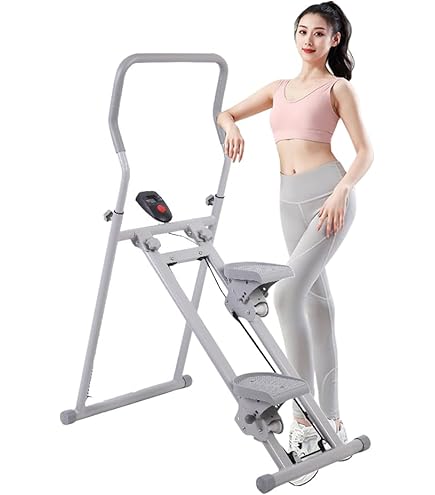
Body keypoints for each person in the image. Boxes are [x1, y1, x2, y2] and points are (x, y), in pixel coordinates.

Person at [217, 0, 374, 485]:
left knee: (286, 293)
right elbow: (225, 112)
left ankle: (305, 419)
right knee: (316, 304)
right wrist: (231, 126)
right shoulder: (278, 89)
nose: (309, 39)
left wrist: (342, 191)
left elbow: (365, 152)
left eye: (319, 33)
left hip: (328, 198)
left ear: (335, 39)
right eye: (302, 31)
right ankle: (333, 417)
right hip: (289, 201)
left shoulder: (337, 87)